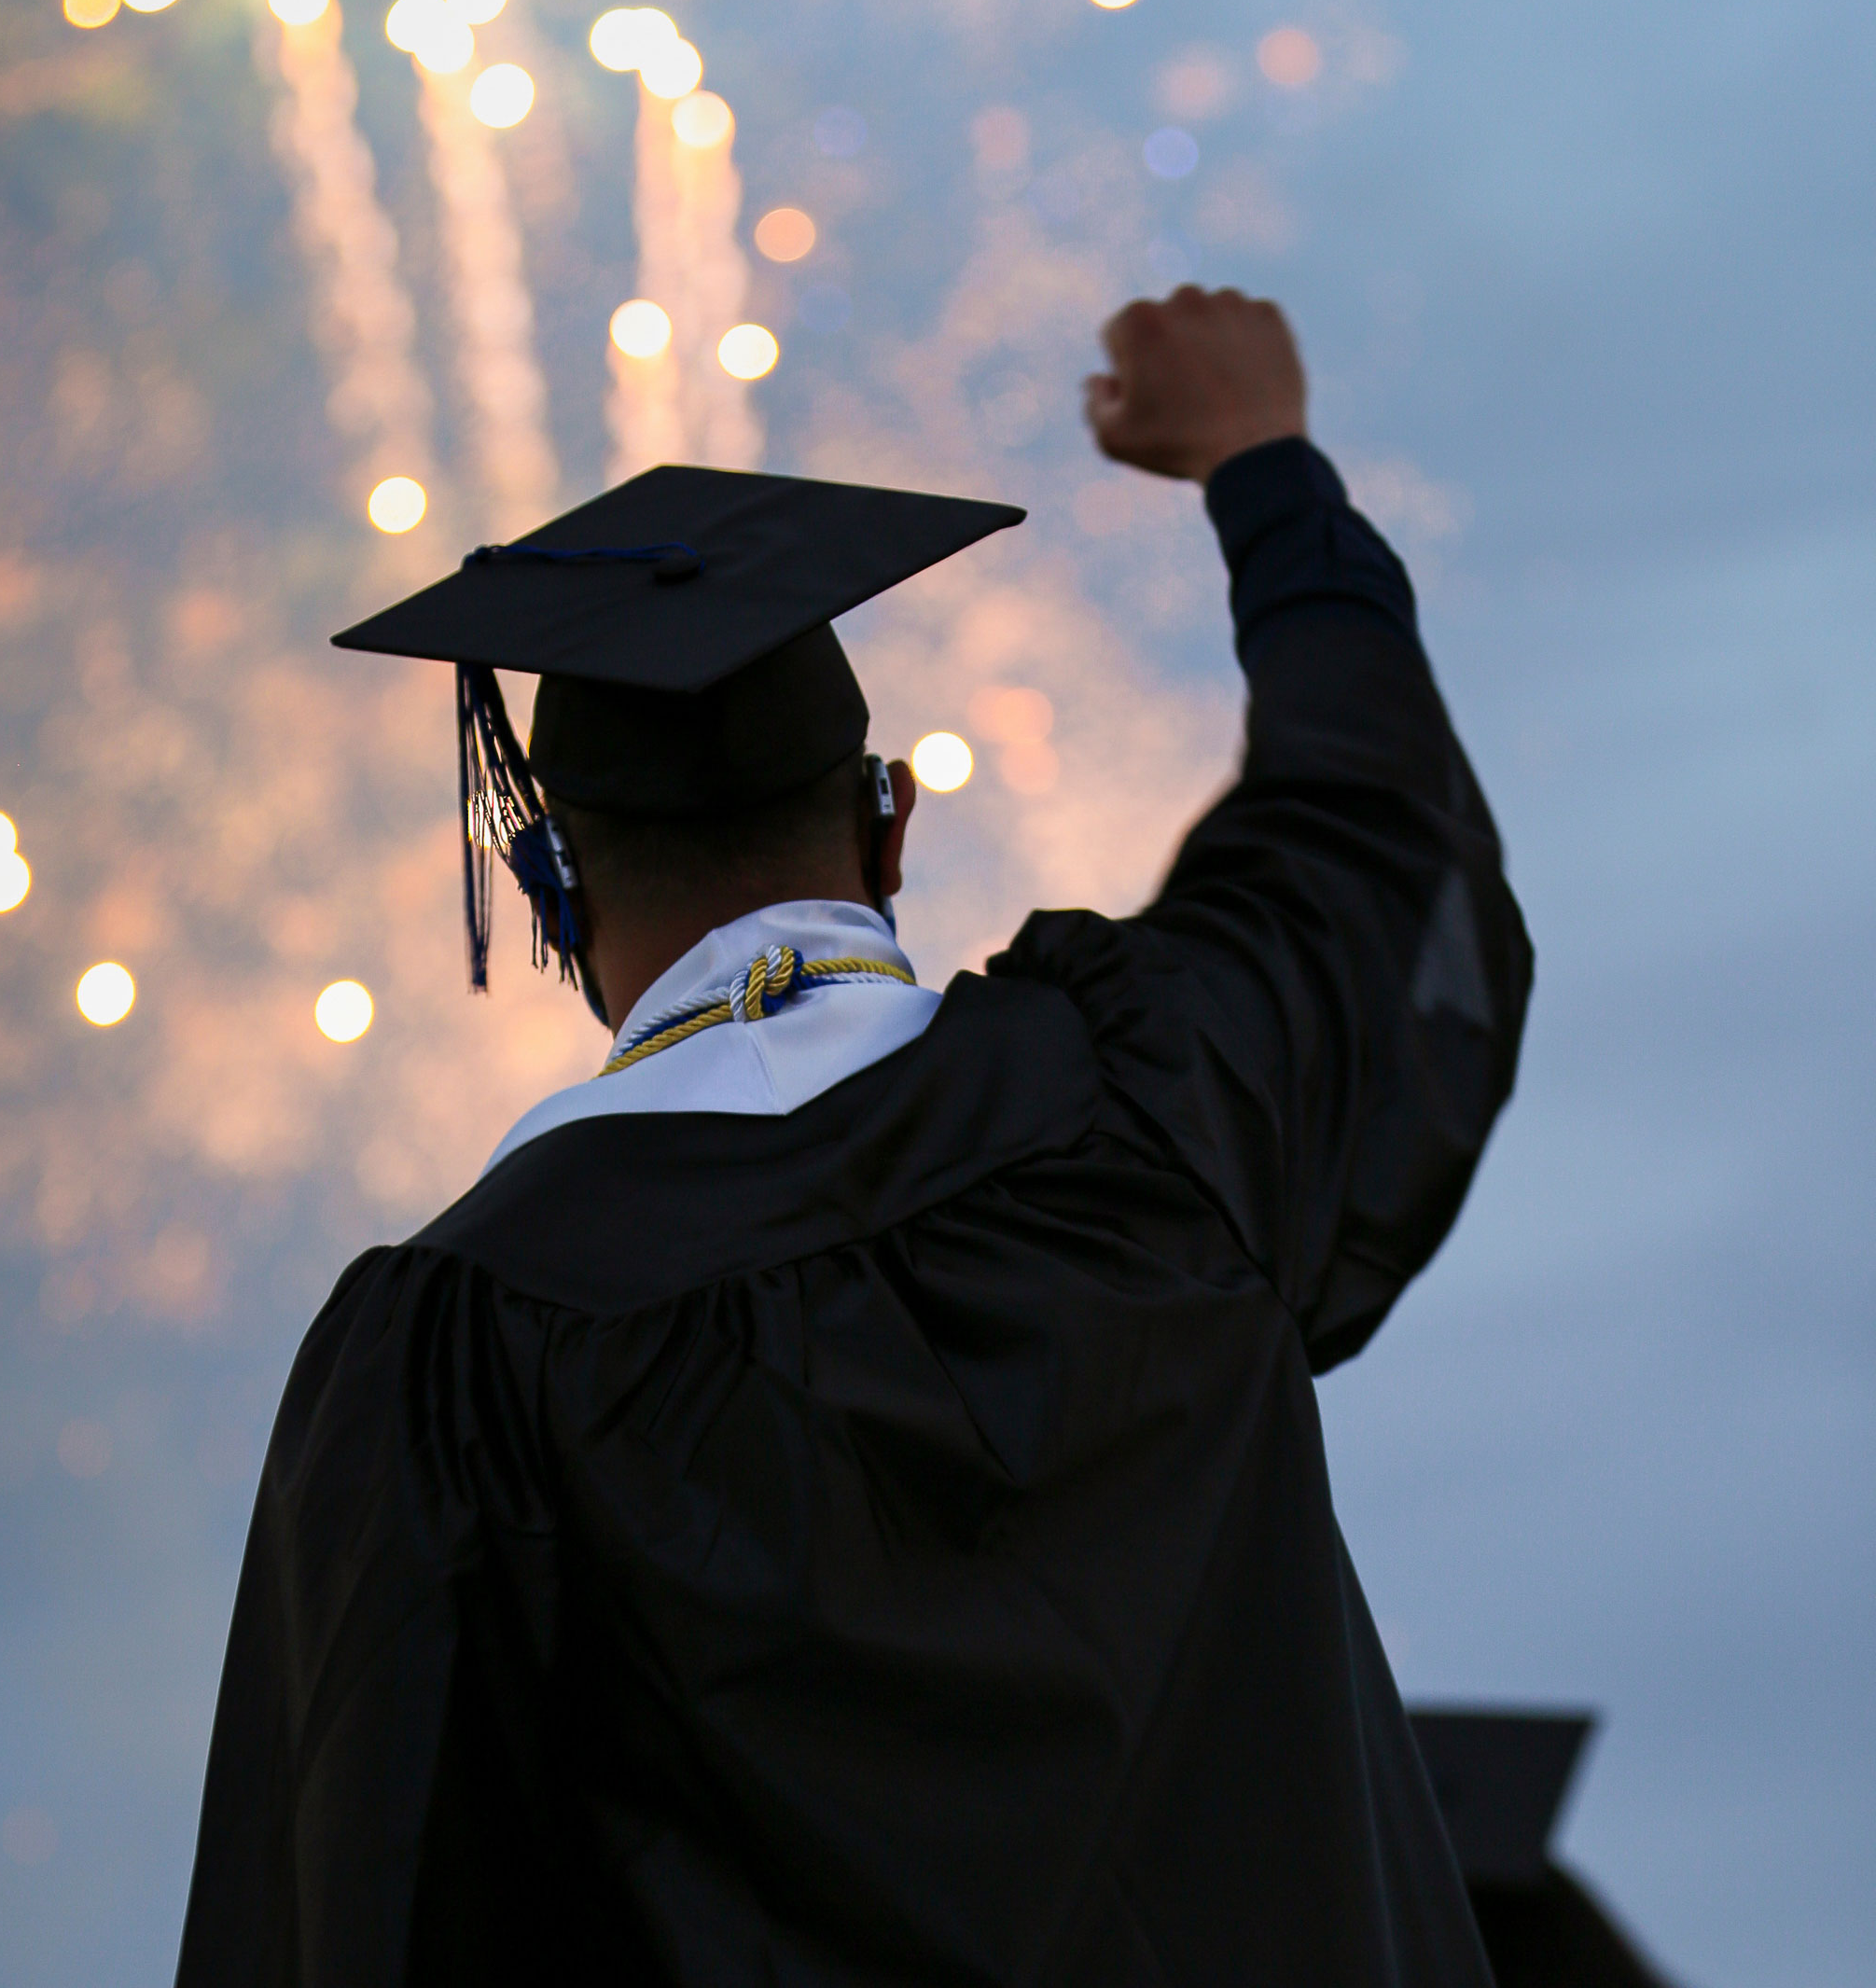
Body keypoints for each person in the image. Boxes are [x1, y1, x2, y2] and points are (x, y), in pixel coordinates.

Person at [176, 286, 1534, 1986]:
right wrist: (1266, 468)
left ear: (553, 887)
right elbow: (1364, 828)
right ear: (889, 823)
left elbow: (370, 1908)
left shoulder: (456, 1355)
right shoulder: (1151, 1098)